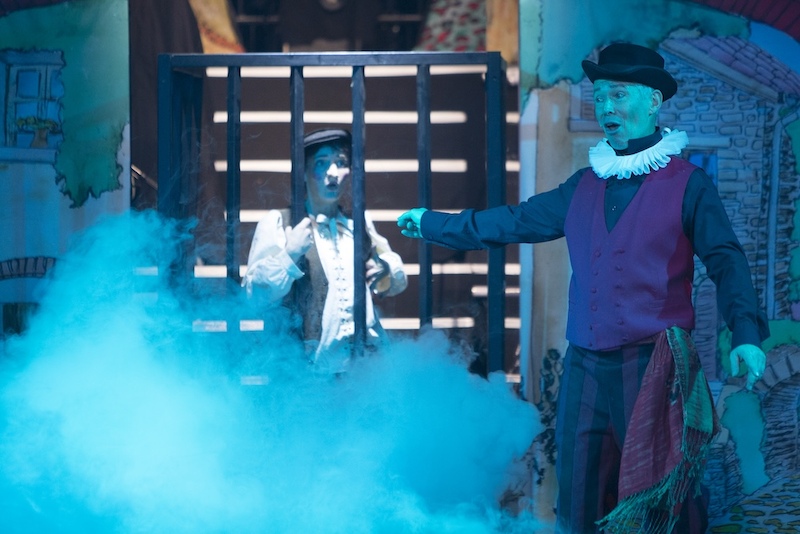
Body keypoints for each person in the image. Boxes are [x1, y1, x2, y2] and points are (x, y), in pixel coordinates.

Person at [397, 43, 769, 533]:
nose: (607, 107)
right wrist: (433, 223)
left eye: (619, 94)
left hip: (653, 364)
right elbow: (513, 221)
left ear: (653, 100)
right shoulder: (583, 185)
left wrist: (745, 332)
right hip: (586, 366)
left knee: (666, 496)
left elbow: (726, 259)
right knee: (580, 496)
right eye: (601, 96)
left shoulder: (688, 183)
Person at [243, 128, 407, 373]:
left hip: (365, 368)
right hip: (309, 372)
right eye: (321, 163)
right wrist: (289, 255)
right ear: (304, 172)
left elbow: (393, 275)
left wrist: (383, 270)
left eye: (340, 163)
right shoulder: (279, 222)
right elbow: (255, 294)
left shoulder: (358, 223)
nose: (333, 173)